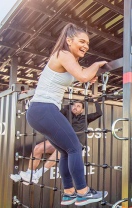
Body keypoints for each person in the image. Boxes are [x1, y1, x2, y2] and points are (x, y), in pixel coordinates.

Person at [25, 23, 107, 206]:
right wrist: (95, 65)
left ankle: (69, 193)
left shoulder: (68, 58)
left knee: (64, 151)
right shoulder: (64, 54)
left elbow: (81, 76)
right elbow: (84, 76)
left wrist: (88, 73)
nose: (86, 46)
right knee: (75, 148)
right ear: (69, 40)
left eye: (88, 43)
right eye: (82, 41)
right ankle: (83, 192)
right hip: (44, 109)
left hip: (39, 111)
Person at [11, 100, 102, 185]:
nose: (75, 107)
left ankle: (36, 176)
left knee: (59, 152)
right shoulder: (66, 113)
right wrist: (69, 104)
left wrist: (96, 101)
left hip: (75, 145)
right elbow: (58, 110)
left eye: (78, 106)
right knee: (38, 148)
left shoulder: (85, 118)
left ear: (82, 110)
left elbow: (99, 113)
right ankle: (29, 174)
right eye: (74, 105)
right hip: (61, 139)